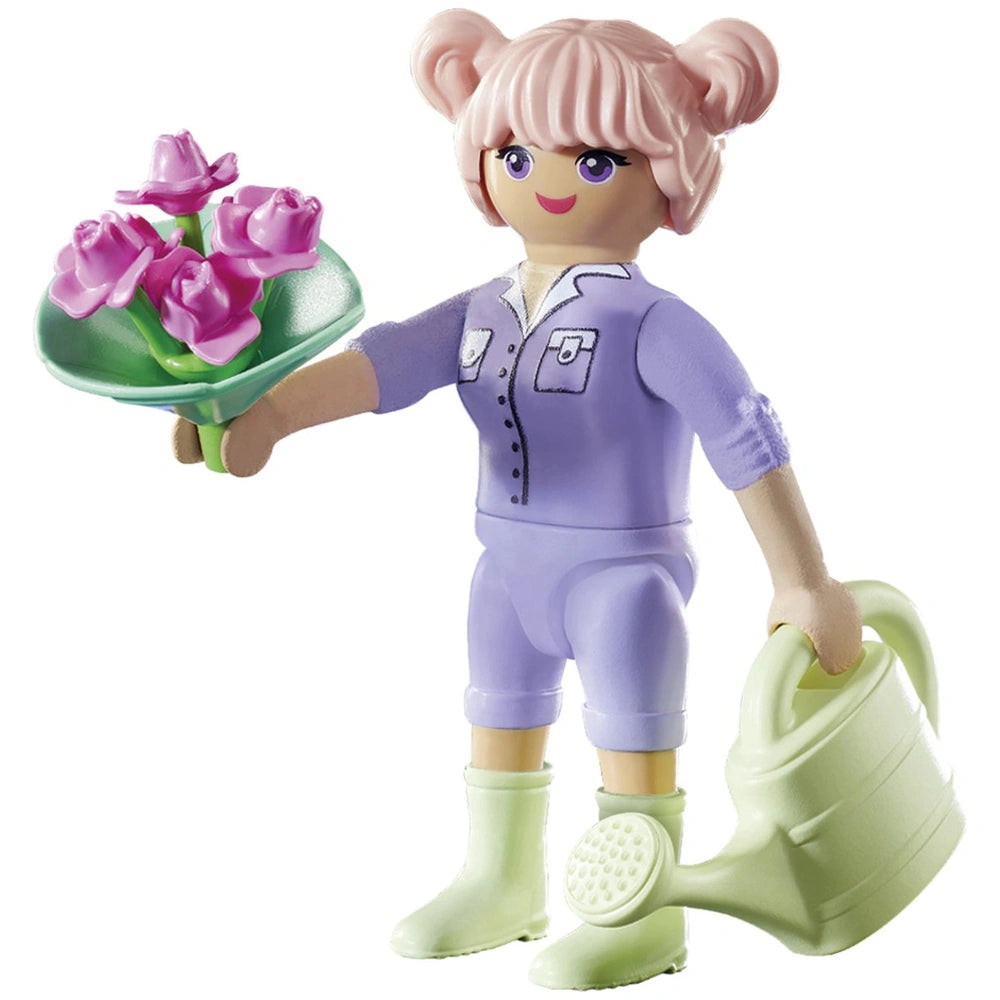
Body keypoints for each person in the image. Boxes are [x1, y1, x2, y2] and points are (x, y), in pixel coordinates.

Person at [174, 11, 862, 991]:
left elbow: (744, 439)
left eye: (597, 160)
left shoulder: (655, 323)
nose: (548, 178)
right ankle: (500, 880)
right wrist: (266, 415)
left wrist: (803, 579)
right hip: (505, 567)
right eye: (515, 152)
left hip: (623, 575)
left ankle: (644, 913)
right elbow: (381, 367)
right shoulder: (483, 309)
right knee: (499, 715)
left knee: (630, 735)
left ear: (668, 176)